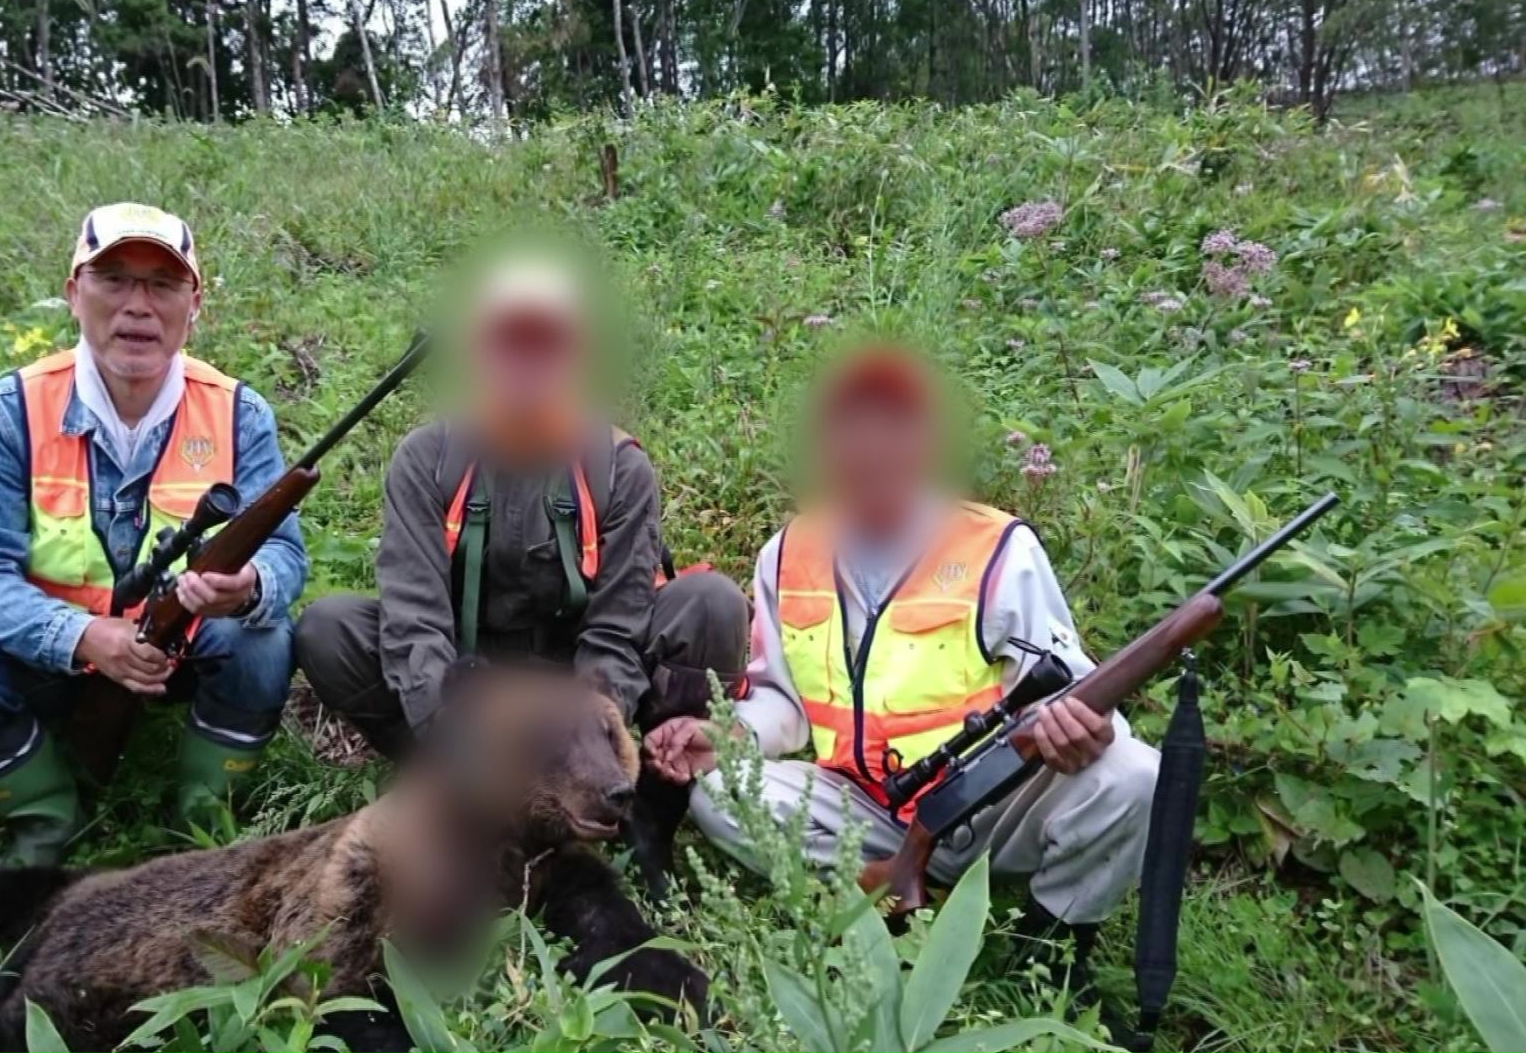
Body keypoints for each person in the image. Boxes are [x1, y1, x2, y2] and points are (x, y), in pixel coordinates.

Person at [646, 347, 1157, 971]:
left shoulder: (998, 550)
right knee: (720, 791)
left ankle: (1047, 950)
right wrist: (726, 734)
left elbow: (1070, 691)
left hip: (991, 803)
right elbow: (784, 704)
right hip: (862, 805)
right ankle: (886, 895)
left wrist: (1084, 732)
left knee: (1133, 774)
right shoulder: (788, 554)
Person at [294, 257, 748, 888]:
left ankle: (646, 822)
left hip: (580, 693)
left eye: (547, 345)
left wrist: (589, 743)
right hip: (473, 688)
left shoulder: (619, 469)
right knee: (330, 628)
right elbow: (415, 624)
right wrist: (459, 737)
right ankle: (465, 788)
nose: (528, 366)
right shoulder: (428, 459)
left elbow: (617, 634)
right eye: (510, 344)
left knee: (711, 603)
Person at [0, 203, 308, 866]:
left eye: (162, 284)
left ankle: (203, 819)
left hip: (181, 654)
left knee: (265, 641)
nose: (138, 307)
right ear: (73, 293)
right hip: (45, 659)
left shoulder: (240, 412)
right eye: (113, 279)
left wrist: (251, 585)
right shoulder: (10, 411)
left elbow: (286, 554)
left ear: (194, 302)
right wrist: (83, 637)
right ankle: (46, 820)